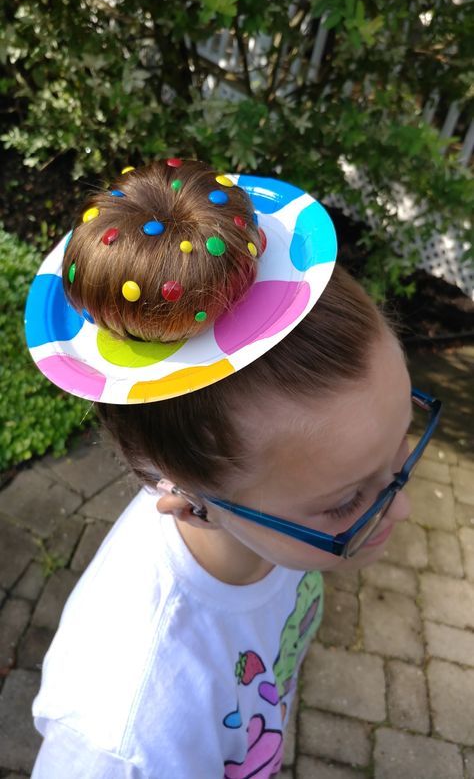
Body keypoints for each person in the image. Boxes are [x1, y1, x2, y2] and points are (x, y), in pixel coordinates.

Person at [26, 158, 441, 778]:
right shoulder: (124, 735)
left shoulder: (268, 532)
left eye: (403, 438)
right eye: (345, 501)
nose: (401, 507)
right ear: (184, 494)